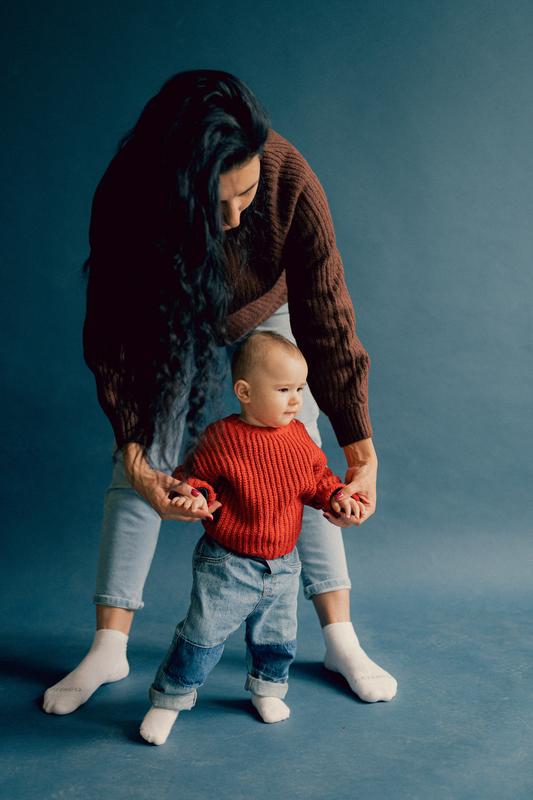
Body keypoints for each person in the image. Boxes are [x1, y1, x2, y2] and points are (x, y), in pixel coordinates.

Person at [42, 68, 397, 717]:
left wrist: (362, 451)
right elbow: (115, 340)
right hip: (169, 314)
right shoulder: (127, 196)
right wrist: (138, 461)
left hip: (266, 308)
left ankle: (340, 638)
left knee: (298, 445)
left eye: (246, 193)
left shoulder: (288, 176)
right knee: (145, 457)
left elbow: (327, 315)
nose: (234, 218)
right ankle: (107, 646)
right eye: (216, 202)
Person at [140, 330, 365, 745]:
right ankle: (169, 699)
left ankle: (267, 689)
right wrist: (195, 495)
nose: (295, 400)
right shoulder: (222, 438)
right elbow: (196, 477)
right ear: (244, 392)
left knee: (276, 638)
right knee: (201, 637)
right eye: (283, 390)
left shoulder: (299, 436)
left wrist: (338, 496)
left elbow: (317, 479)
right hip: (228, 563)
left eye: (300, 389)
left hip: (283, 564)